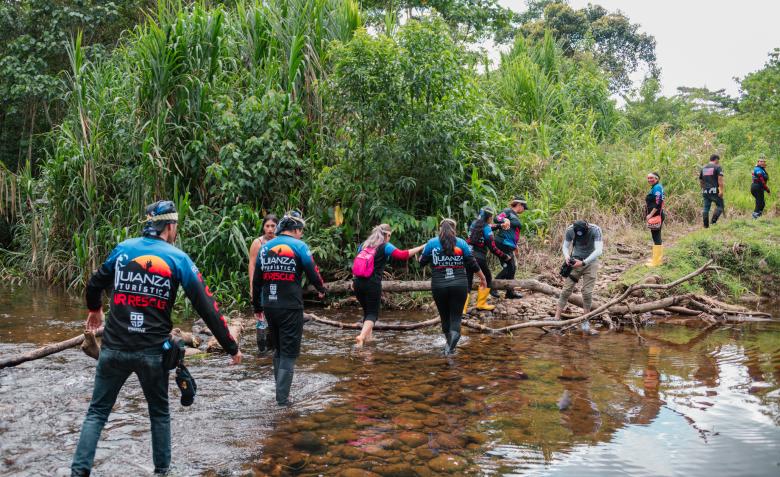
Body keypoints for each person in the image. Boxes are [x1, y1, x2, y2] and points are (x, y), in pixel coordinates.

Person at [71, 200, 242, 477]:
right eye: (176, 227)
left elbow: (94, 283)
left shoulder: (124, 249)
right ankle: (162, 472)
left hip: (114, 347)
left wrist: (94, 309)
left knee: (97, 413)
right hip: (152, 352)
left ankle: (78, 472)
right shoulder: (178, 259)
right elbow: (206, 306)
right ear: (170, 227)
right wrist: (231, 346)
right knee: (159, 413)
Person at [252, 210, 326, 406]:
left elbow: (257, 280)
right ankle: (283, 402)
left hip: (269, 305)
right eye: (301, 231)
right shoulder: (300, 246)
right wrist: (321, 289)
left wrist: (257, 306)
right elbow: (313, 271)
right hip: (290, 306)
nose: (301, 234)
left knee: (278, 349)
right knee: (289, 353)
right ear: (295, 229)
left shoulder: (265, 248)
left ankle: (279, 391)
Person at [419, 219, 487, 355]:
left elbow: (421, 263)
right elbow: (472, 263)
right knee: (456, 318)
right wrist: (483, 278)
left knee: (445, 317)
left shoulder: (432, 243)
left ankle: (448, 348)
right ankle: (450, 349)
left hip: (439, 286)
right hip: (459, 285)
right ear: (454, 229)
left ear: (440, 229)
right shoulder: (461, 243)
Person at [352, 224, 424, 348]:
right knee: (372, 314)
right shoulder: (385, 246)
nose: (389, 238)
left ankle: (368, 339)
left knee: (367, 312)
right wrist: (421, 247)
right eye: (389, 235)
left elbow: (357, 263)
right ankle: (362, 337)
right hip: (372, 283)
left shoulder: (363, 245)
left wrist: (354, 281)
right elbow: (403, 255)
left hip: (358, 282)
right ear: (386, 235)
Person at [553, 220, 603, 335]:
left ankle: (585, 321)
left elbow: (599, 250)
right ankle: (556, 318)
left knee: (587, 292)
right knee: (566, 290)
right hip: (575, 261)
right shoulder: (570, 230)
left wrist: (584, 262)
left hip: (591, 263)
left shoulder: (595, 230)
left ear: (587, 228)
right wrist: (567, 257)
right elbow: (565, 246)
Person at [466, 207, 511, 312]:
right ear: (489, 218)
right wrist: (505, 257)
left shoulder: (474, 224)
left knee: (467, 281)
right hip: (479, 258)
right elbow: (493, 248)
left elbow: (489, 226)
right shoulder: (487, 228)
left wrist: (500, 226)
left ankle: (462, 308)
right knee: (487, 277)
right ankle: (481, 304)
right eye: (491, 217)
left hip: (467, 256)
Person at [249, 214, 278, 353]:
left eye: (273, 226)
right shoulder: (258, 242)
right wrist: (251, 286)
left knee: (275, 316)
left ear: (277, 227)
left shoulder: (280, 241)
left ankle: (273, 347)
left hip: (276, 284)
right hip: (261, 285)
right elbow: (252, 265)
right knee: (261, 316)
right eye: (267, 226)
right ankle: (262, 350)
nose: (270, 229)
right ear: (263, 227)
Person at [492, 197, 527, 299]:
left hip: (509, 245)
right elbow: (497, 218)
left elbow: (512, 232)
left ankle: (510, 292)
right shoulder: (508, 211)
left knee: (512, 268)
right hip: (502, 242)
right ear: (519, 205)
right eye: (524, 207)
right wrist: (504, 219)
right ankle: (493, 286)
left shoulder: (514, 216)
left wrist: (515, 246)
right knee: (509, 268)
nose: (524, 210)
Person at [645, 172, 665, 267]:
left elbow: (659, 203)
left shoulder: (657, 187)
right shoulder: (655, 187)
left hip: (656, 216)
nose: (649, 180)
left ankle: (657, 262)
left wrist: (650, 215)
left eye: (651, 178)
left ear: (657, 179)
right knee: (656, 236)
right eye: (648, 178)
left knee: (656, 237)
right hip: (655, 215)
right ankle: (656, 259)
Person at [699, 154, 724, 228]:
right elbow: (720, 181)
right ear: (716, 159)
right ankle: (713, 222)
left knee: (706, 208)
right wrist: (721, 191)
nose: (718, 162)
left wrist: (703, 189)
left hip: (705, 191)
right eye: (718, 160)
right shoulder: (718, 167)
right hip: (714, 190)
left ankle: (706, 225)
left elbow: (701, 181)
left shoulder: (703, 168)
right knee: (720, 206)